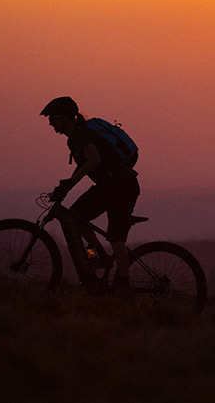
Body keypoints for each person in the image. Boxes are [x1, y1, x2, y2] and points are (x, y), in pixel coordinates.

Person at [40, 96, 141, 294]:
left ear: (66, 118)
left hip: (123, 187)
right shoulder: (74, 139)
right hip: (109, 186)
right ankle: (100, 257)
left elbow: (93, 160)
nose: (50, 123)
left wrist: (69, 184)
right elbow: (85, 166)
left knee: (116, 238)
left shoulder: (82, 136)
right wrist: (66, 185)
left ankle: (123, 285)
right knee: (75, 216)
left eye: (52, 118)